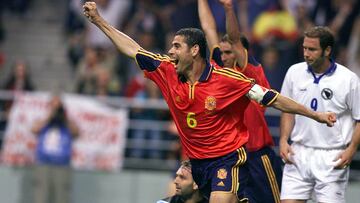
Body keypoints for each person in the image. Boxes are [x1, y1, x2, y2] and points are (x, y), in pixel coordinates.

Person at [83, 2, 336, 202]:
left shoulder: (230, 78)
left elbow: (273, 98)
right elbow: (132, 49)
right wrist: (99, 21)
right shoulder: (167, 70)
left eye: (176, 46)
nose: (170, 51)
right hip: (196, 162)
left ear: (194, 51)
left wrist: (316, 115)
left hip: (231, 158)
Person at [198, 0, 282, 202]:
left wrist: (228, 9)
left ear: (241, 52)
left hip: (258, 156)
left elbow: (235, 39)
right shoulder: (219, 70)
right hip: (233, 159)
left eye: (229, 52)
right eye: (222, 52)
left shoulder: (247, 70)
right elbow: (208, 28)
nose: (224, 56)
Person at [279, 26, 360, 203]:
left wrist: (351, 150)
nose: (306, 53)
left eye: (312, 49)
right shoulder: (294, 72)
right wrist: (284, 139)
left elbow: (359, 118)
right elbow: (287, 110)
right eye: (304, 48)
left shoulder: (349, 79)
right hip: (298, 152)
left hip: (332, 156)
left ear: (327, 50)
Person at [31, 94, 79, 203]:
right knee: (41, 197)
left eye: (58, 106)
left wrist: (64, 118)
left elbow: (76, 133)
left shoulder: (67, 122)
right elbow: (34, 129)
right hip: (43, 163)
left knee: (61, 197)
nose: (56, 109)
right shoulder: (43, 119)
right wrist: (49, 116)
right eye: (53, 105)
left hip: (62, 165)